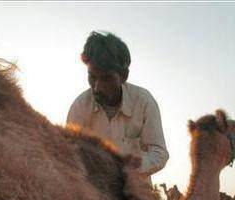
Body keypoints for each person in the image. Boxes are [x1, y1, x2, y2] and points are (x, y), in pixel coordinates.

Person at [67, 31, 168, 179]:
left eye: (106, 79)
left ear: (123, 76)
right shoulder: (79, 107)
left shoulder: (143, 101)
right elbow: (69, 154)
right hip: (93, 193)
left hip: (136, 193)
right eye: (92, 77)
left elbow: (159, 153)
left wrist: (125, 169)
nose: (97, 87)